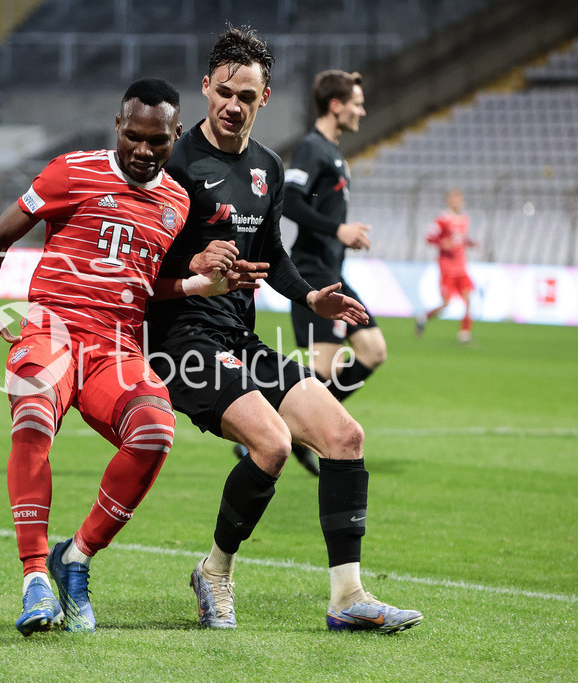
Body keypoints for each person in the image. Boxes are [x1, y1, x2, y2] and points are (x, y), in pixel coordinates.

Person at [145, 26, 423, 633]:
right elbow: (141, 264)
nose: (232, 106)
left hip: (240, 338)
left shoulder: (268, 166)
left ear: (263, 98)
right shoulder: (173, 162)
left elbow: (274, 255)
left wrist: (311, 296)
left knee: (345, 435)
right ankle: (215, 572)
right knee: (271, 442)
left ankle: (347, 598)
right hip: (180, 341)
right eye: (223, 92)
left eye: (246, 96)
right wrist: (191, 266)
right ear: (205, 87)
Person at [0, 78, 247, 637]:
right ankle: (35, 577)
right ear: (118, 125)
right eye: (132, 135)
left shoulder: (176, 203)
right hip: (52, 331)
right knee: (34, 411)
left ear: (174, 135)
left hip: (117, 348)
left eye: (156, 141)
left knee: (156, 431)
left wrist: (193, 287)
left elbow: (146, 283)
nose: (142, 149)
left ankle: (76, 558)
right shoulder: (70, 172)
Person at [266, 69, 385, 476]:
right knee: (325, 368)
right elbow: (291, 204)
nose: (362, 110)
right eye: (356, 102)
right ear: (336, 106)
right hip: (314, 272)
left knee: (372, 350)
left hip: (332, 270)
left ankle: (289, 432)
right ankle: (278, 435)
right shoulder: (313, 149)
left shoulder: (334, 154)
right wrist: (338, 230)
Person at [416, 188, 477, 343]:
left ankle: (465, 334)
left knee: (468, 299)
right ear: (448, 201)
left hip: (461, 267)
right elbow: (429, 238)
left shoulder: (465, 219)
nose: (457, 202)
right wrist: (442, 243)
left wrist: (470, 243)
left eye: (459, 198)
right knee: (446, 303)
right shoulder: (442, 219)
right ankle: (424, 317)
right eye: (453, 199)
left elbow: (460, 239)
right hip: (447, 267)